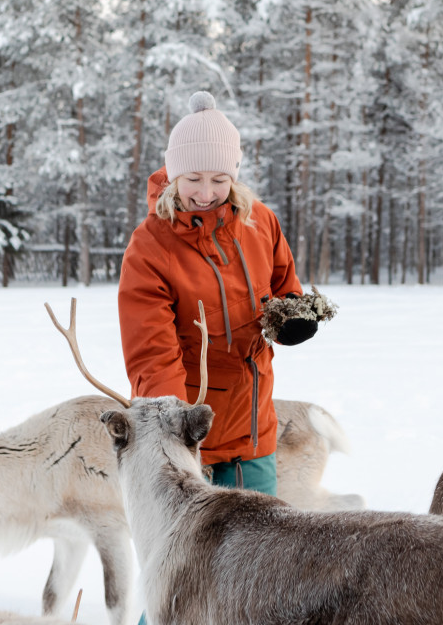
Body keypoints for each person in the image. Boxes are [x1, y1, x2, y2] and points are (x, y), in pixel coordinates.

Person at [117, 90, 318, 497]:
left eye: (220, 180)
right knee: (193, 560)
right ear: (174, 174)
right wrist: (179, 429)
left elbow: (282, 288)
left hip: (255, 431)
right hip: (191, 440)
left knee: (264, 554)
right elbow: (151, 352)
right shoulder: (150, 245)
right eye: (193, 179)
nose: (206, 193)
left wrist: (292, 318)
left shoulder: (259, 222)